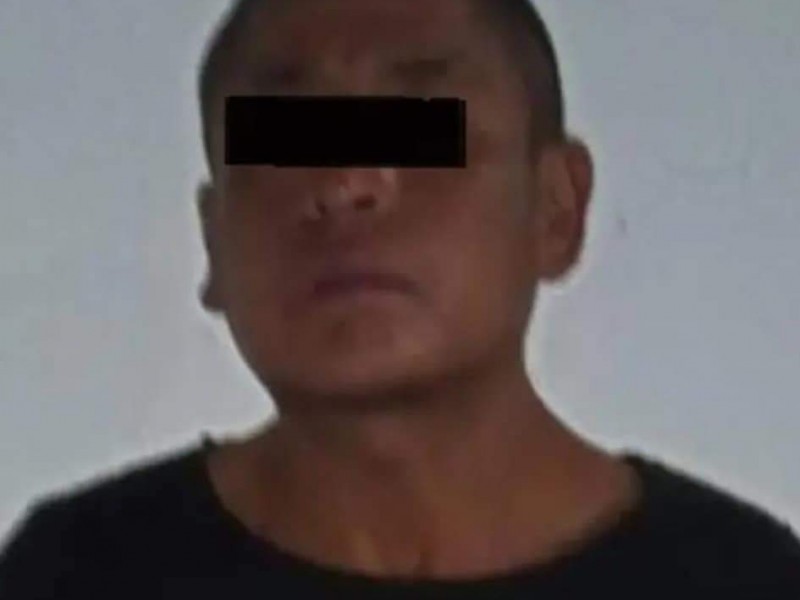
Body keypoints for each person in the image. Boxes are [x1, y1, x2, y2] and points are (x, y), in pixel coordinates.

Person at [2, 0, 799, 597]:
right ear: (214, 242)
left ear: (556, 209)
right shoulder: (76, 575)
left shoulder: (743, 580)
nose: (345, 182)